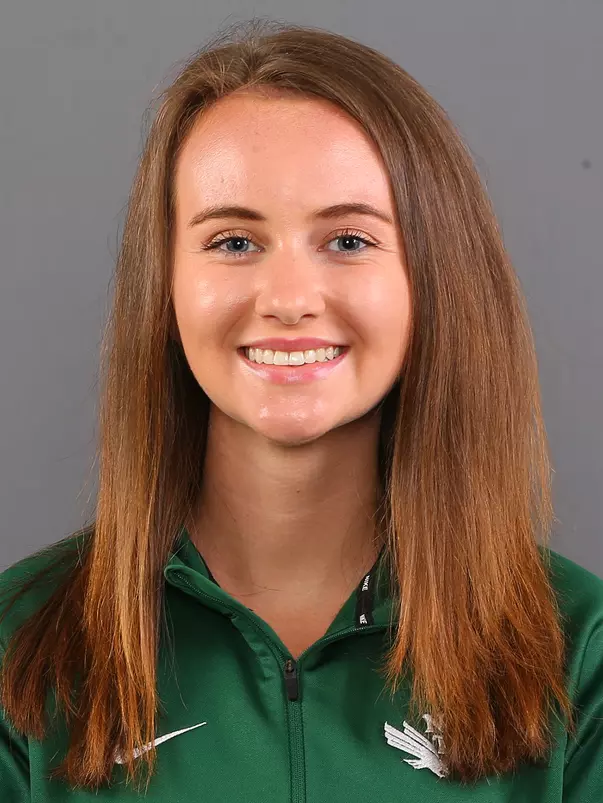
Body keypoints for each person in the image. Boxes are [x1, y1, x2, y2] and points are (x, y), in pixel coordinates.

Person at [1, 18, 601, 802]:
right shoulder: (21, 643)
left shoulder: (578, 653)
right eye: (233, 242)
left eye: (348, 240)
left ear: (434, 276)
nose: (287, 300)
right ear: (166, 287)